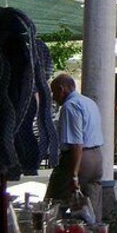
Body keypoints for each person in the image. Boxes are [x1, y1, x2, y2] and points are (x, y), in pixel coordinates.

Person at [45, 73, 105, 222]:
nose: (53, 97)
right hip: (97, 159)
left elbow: (76, 143)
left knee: (54, 203)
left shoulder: (69, 106)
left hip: (80, 160)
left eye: (53, 92)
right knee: (91, 209)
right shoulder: (89, 102)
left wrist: (74, 174)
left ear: (61, 89)